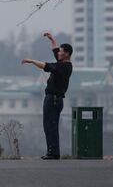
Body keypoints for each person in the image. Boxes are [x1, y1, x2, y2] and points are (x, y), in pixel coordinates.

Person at [21, 32, 73, 160]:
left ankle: (53, 153)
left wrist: (32, 61)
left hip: (54, 99)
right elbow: (55, 50)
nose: (58, 53)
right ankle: (52, 152)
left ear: (66, 54)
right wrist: (52, 39)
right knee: (49, 125)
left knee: (51, 126)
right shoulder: (62, 63)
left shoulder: (63, 67)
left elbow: (45, 66)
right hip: (53, 99)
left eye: (61, 52)